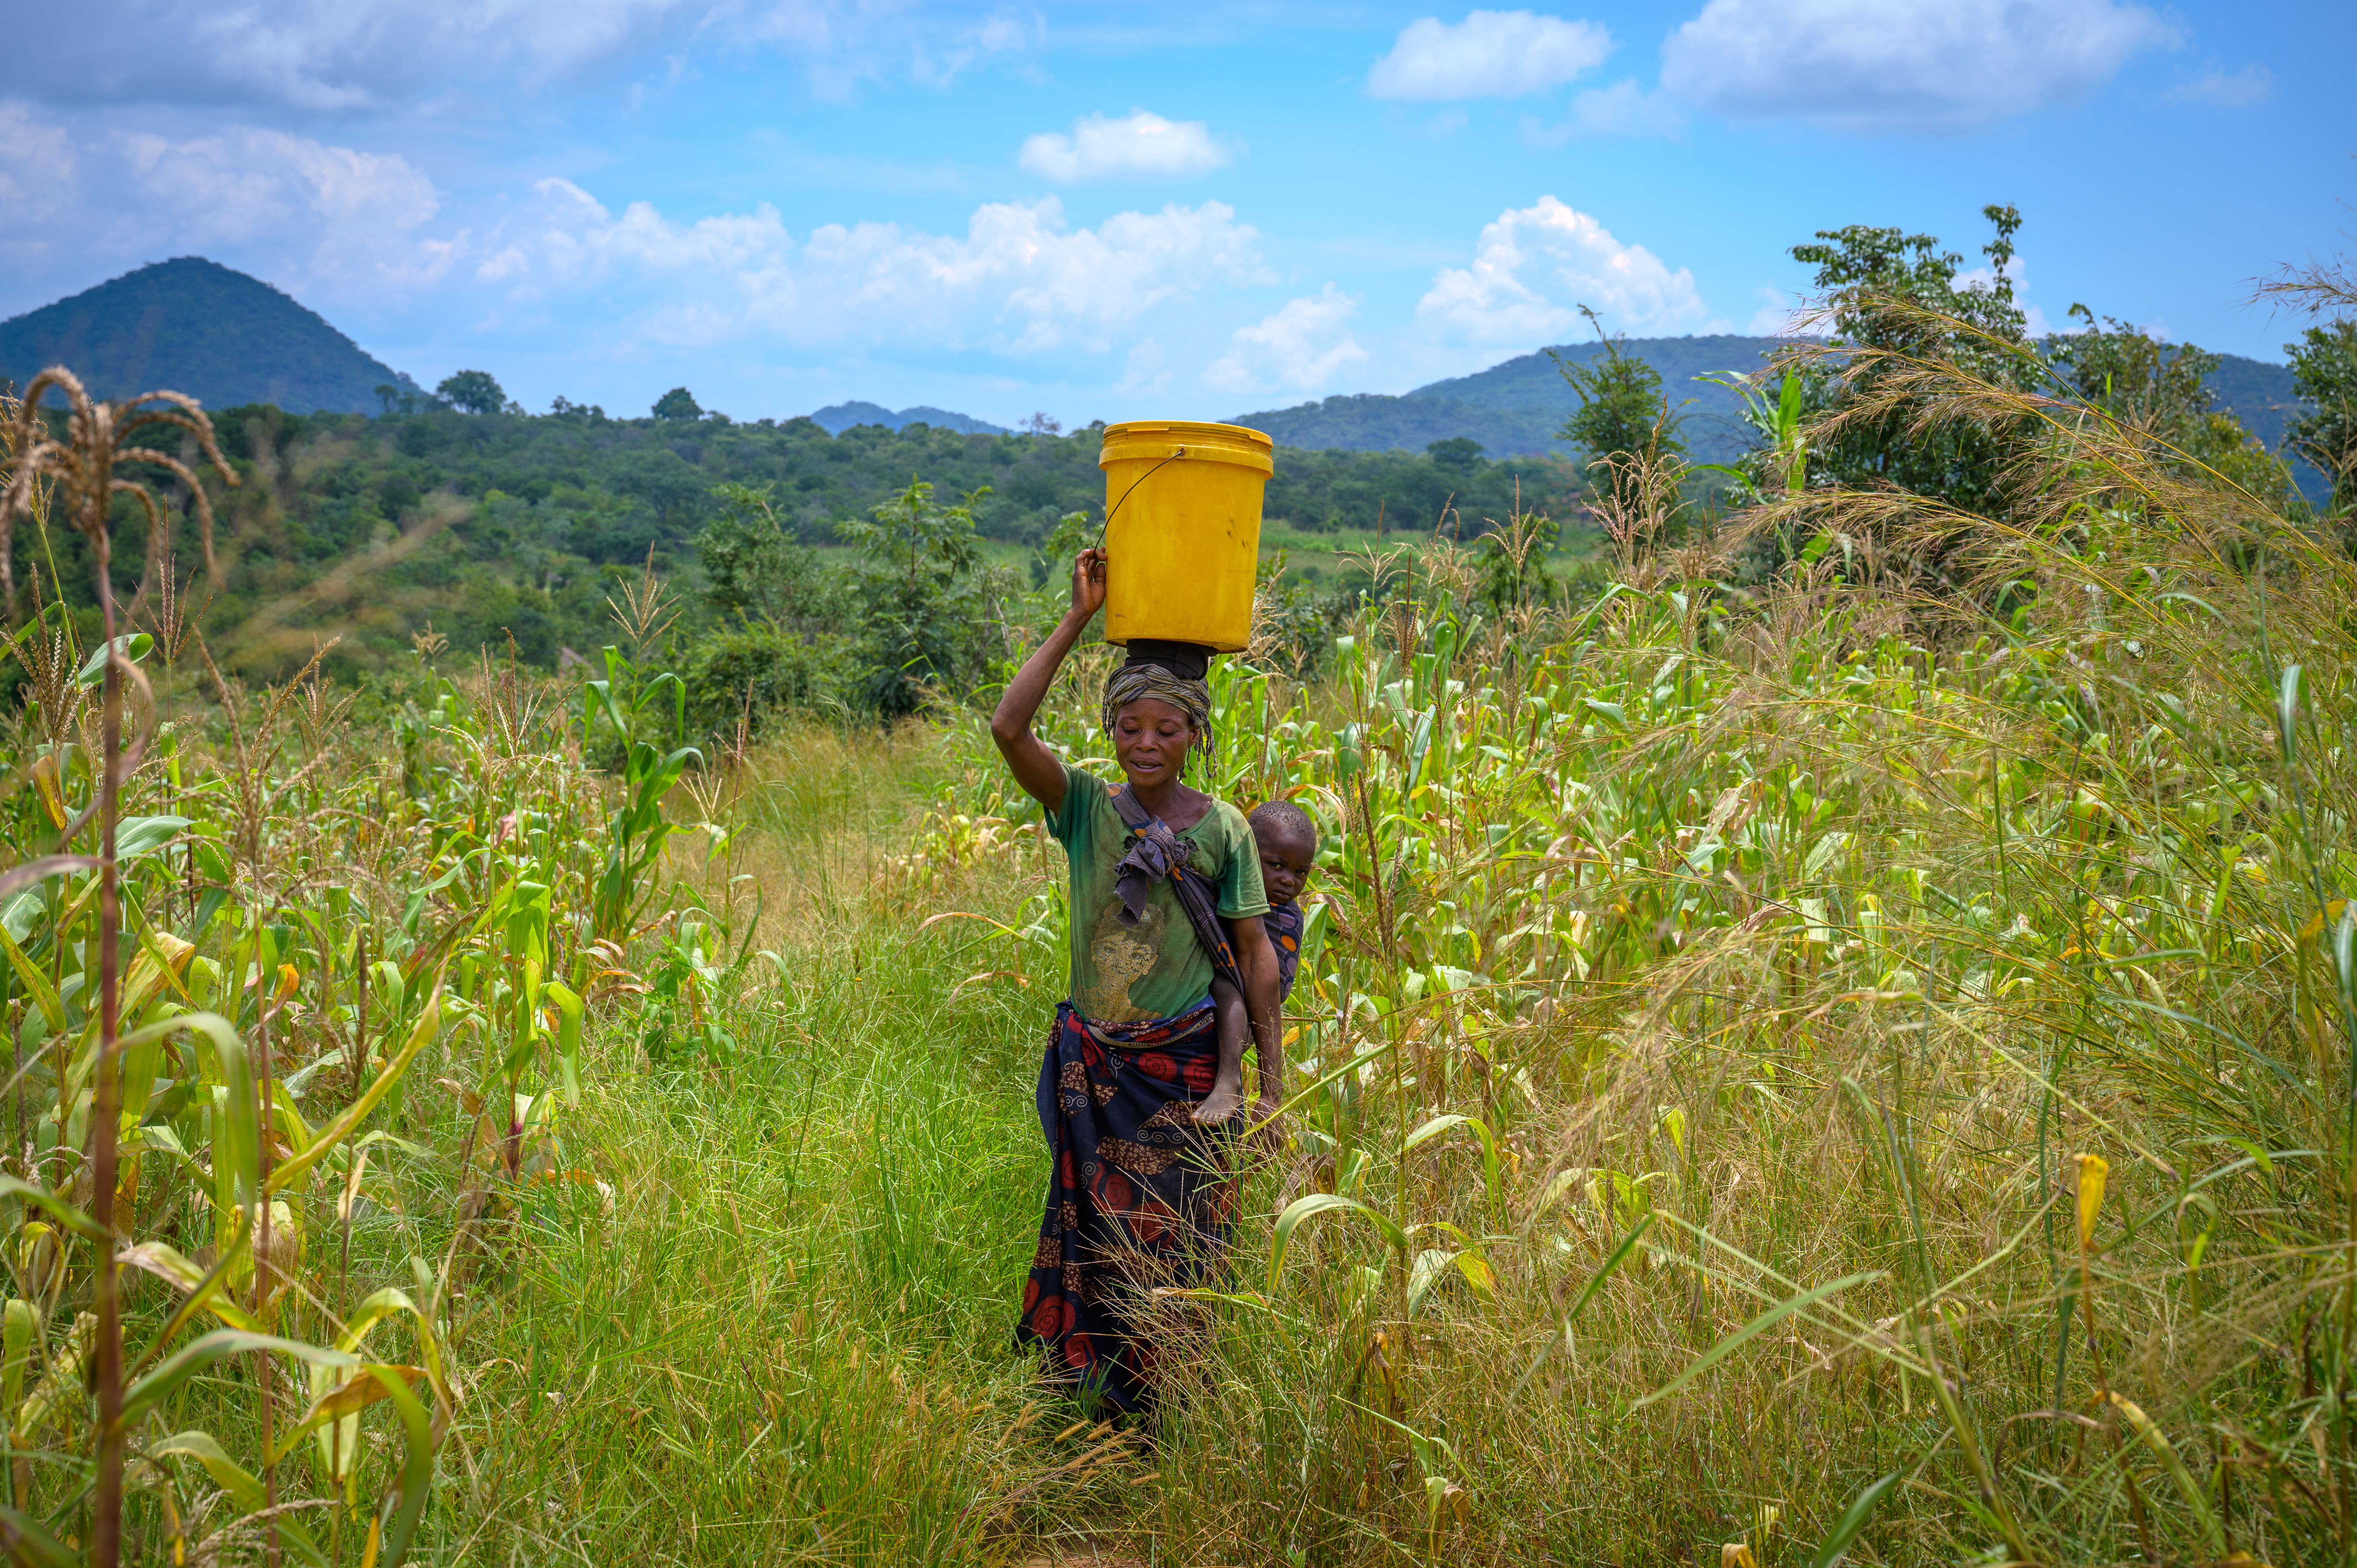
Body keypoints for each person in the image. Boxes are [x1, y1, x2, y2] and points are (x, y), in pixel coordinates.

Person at [991, 547, 1285, 1414]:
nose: (1147, 743)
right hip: (1096, 1065)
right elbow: (1009, 729)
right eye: (1130, 728)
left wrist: (1270, 1085)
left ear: (1195, 735)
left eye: (1167, 729)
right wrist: (1079, 617)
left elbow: (1255, 955)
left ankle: (1176, 1411)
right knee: (1088, 1232)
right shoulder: (1084, 807)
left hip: (1186, 1073)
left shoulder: (1225, 828)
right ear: (1112, 732)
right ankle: (1089, 1399)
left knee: (1184, 1241)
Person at [1199, 799, 1318, 1124]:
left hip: (1259, 994)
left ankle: (1229, 1079)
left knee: (1227, 988)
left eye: (1300, 872)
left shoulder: (1286, 915)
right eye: (1276, 865)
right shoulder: (1232, 886)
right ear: (1247, 855)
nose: (1289, 881)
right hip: (1235, 976)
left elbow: (1265, 977)